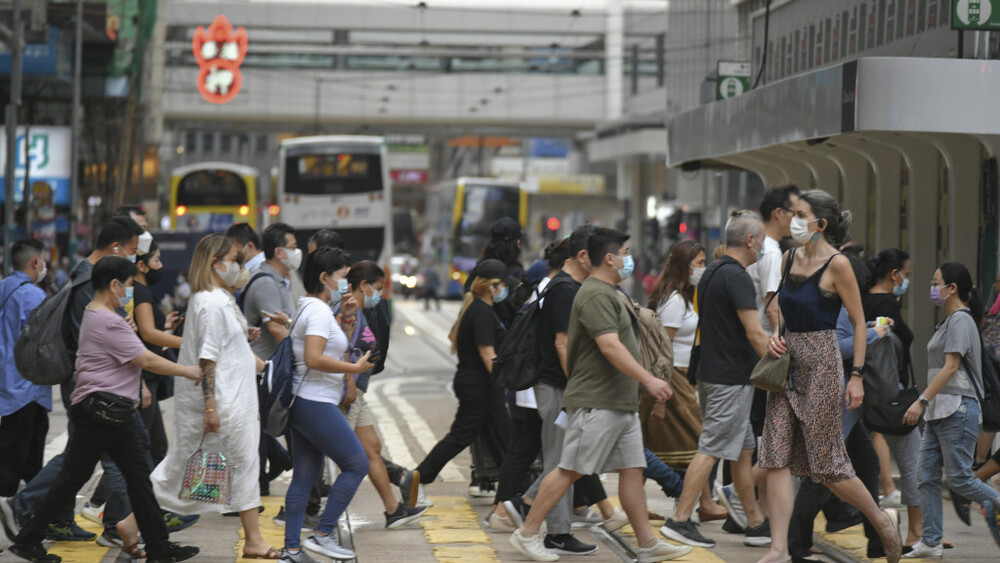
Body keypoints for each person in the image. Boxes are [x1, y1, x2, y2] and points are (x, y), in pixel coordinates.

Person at [508, 227, 689, 563]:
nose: (629, 258)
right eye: (626, 251)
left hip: (619, 401)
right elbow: (609, 346)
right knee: (569, 469)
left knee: (633, 469)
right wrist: (649, 380)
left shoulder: (610, 291)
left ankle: (647, 544)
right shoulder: (594, 295)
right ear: (610, 258)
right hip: (597, 401)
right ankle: (527, 532)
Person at [7, 255, 202, 563]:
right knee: (100, 478)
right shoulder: (107, 320)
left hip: (106, 409)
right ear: (113, 284)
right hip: (105, 410)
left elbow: (125, 353)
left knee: (131, 479)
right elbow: (146, 360)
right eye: (125, 286)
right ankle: (29, 537)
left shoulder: (96, 314)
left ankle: (159, 548)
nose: (127, 292)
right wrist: (189, 371)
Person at [759, 190, 901, 563]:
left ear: (820, 225)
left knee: (827, 466)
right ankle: (778, 549)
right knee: (774, 456)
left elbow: (857, 321)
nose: (794, 221)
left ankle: (880, 519)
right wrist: (775, 336)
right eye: (793, 214)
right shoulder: (789, 258)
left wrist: (855, 377)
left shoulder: (839, 265)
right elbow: (779, 308)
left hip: (823, 364)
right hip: (788, 362)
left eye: (801, 215)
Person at [150, 233, 279, 559]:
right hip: (222, 405)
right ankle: (131, 521)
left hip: (233, 402)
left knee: (230, 468)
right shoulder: (208, 302)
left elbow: (223, 347)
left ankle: (131, 523)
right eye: (234, 260)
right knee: (186, 471)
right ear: (215, 263)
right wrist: (210, 406)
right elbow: (207, 358)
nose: (239, 266)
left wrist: (242, 337)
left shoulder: (219, 298)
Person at [661, 212, 771, 549]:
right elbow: (754, 332)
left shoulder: (712, 271)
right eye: (762, 239)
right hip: (731, 378)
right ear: (750, 240)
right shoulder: (737, 277)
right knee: (711, 447)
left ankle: (754, 522)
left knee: (742, 450)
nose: (764, 246)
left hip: (713, 373)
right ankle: (680, 519)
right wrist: (785, 365)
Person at [497, 235, 602, 555]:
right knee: (562, 460)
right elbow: (561, 343)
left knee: (564, 459)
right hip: (556, 385)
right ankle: (533, 512)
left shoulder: (558, 286)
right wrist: (577, 387)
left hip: (554, 384)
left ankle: (552, 526)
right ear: (580, 256)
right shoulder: (564, 290)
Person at [787, 249, 894, 560]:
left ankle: (876, 539)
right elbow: (836, 346)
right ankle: (797, 542)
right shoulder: (837, 308)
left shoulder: (845, 307)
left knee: (867, 463)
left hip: (848, 402)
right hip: (838, 397)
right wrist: (874, 333)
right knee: (822, 475)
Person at [900, 262, 1000, 558]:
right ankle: (930, 541)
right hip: (941, 412)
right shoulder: (948, 321)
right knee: (926, 475)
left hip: (957, 409)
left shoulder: (960, 321)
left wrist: (921, 401)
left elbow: (952, 366)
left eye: (936, 282)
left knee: (958, 478)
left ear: (952, 288)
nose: (933, 288)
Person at [281, 247, 374, 562]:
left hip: (305, 401)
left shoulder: (312, 307)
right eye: (343, 277)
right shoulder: (319, 312)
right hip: (314, 402)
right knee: (357, 464)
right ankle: (322, 533)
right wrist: (355, 370)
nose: (347, 284)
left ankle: (291, 549)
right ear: (325, 277)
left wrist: (347, 321)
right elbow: (313, 358)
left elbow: (329, 349)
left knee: (305, 476)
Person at [337, 260, 426, 529]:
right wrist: (349, 380)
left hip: (358, 390)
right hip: (350, 391)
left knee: (371, 448)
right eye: (377, 288)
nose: (380, 294)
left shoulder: (364, 311)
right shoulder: (349, 311)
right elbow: (343, 349)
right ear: (363, 286)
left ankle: (393, 510)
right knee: (348, 458)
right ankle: (322, 519)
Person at [414, 259, 513, 488]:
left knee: (502, 437)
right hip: (480, 386)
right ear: (492, 286)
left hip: (480, 384)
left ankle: (512, 492)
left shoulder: (479, 308)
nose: (505, 289)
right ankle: (417, 477)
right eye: (503, 285)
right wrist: (505, 381)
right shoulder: (482, 313)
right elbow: (487, 352)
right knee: (463, 436)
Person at [646, 239, 727, 521]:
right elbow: (663, 348)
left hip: (680, 375)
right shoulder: (674, 301)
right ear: (684, 266)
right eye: (699, 263)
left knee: (653, 442)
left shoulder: (684, 296)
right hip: (672, 376)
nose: (703, 268)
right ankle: (704, 502)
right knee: (699, 438)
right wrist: (662, 390)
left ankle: (704, 502)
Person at [864, 248, 923, 546]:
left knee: (858, 465)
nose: (907, 280)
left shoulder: (864, 299)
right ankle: (917, 531)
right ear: (893, 274)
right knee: (915, 463)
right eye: (907, 275)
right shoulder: (886, 302)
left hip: (866, 393)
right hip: (894, 395)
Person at [240, 223, 299, 495]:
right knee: (258, 429)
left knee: (263, 427)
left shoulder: (279, 281)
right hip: (263, 370)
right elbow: (276, 329)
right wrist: (302, 354)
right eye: (292, 247)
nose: (296, 252)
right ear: (279, 252)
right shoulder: (265, 282)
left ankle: (280, 472)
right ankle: (258, 486)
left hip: (272, 369)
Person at [0, 239, 50, 497]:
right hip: (28, 390)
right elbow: (43, 343)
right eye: (43, 259)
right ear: (35, 262)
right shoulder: (33, 295)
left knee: (8, 454)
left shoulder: (4, 287)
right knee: (26, 463)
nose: (45, 266)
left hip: (7, 386)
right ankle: (19, 513)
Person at [133, 242, 184, 465]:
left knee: (155, 447)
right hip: (143, 374)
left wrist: (165, 327)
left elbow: (144, 331)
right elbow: (148, 334)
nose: (161, 265)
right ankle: (99, 501)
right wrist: (187, 342)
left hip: (147, 375)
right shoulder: (139, 292)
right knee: (140, 448)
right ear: (142, 266)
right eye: (157, 260)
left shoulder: (139, 291)